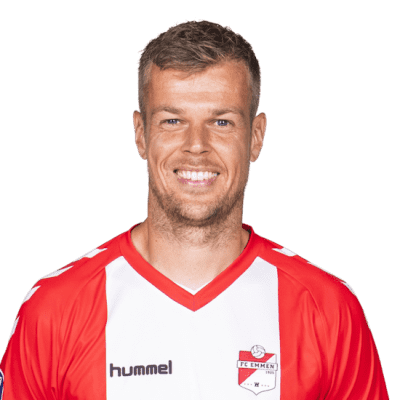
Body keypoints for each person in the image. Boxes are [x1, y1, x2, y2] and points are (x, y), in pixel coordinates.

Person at [0, 20, 389, 399]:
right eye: (172, 120)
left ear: (256, 137)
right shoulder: (55, 310)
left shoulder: (329, 309)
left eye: (221, 122)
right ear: (140, 133)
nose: (196, 145)